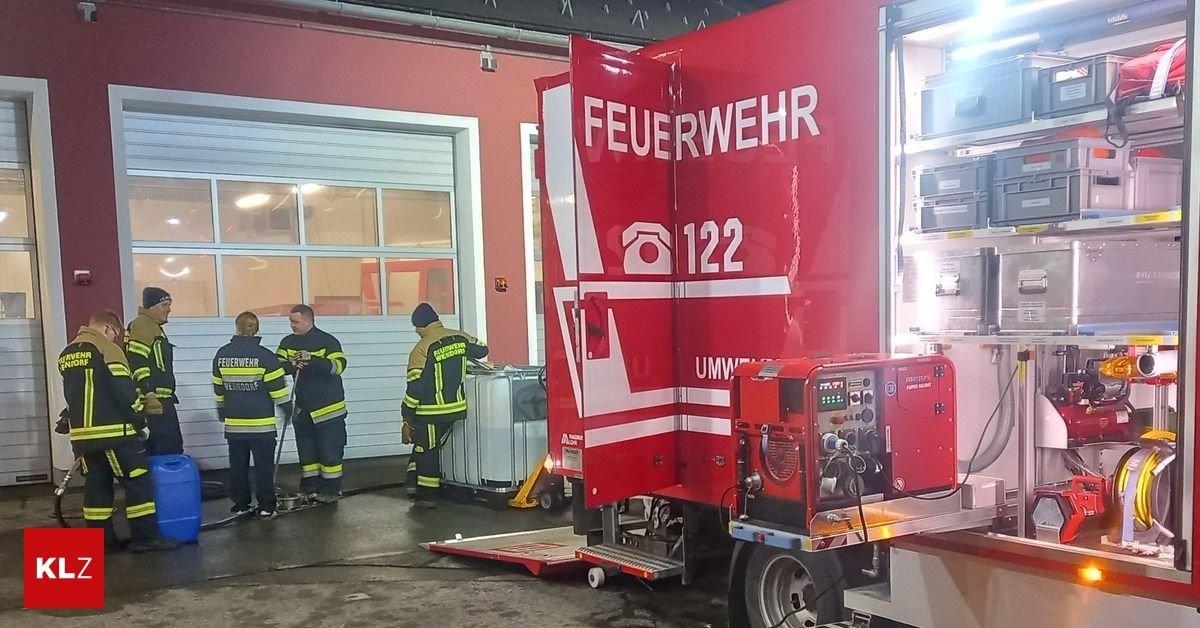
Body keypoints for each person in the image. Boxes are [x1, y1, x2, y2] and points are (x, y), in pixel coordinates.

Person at [57, 310, 178, 553]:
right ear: (108, 329)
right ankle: (145, 538)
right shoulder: (108, 350)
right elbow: (124, 390)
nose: (117, 339)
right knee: (138, 481)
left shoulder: (67, 353)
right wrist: (139, 416)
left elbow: (77, 394)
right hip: (114, 434)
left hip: (82, 437)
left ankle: (102, 543)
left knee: (97, 487)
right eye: (116, 334)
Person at [403, 302, 488, 508]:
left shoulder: (421, 349)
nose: (416, 331)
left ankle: (427, 497)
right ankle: (412, 483)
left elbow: (415, 387)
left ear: (422, 326)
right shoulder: (460, 337)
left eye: (416, 327)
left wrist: (407, 413)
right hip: (455, 409)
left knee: (427, 451)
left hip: (429, 412)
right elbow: (482, 349)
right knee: (425, 445)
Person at [213, 312, 292, 518]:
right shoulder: (266, 356)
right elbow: (277, 390)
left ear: (236, 328)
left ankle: (241, 505)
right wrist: (288, 409)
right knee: (263, 468)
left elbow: (219, 388)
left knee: (238, 467)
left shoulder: (222, 355)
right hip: (261, 426)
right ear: (256, 329)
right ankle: (266, 506)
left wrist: (222, 409)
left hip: (234, 425)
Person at [277, 304, 348, 503]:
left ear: (308, 320)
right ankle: (309, 486)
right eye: (291, 321)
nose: (292, 325)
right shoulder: (287, 343)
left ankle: (331, 490)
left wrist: (313, 360)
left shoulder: (327, 341)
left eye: (295, 321)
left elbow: (338, 366)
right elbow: (276, 367)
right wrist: (291, 365)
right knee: (307, 451)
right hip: (304, 408)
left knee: (330, 451)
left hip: (328, 409)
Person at [127, 286, 183, 455]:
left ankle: (164, 481)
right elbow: (137, 360)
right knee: (166, 448)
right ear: (151, 307)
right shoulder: (143, 326)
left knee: (167, 447)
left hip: (161, 399)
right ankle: (164, 481)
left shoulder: (152, 327)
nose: (169, 309)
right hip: (154, 402)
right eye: (164, 305)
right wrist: (149, 393)